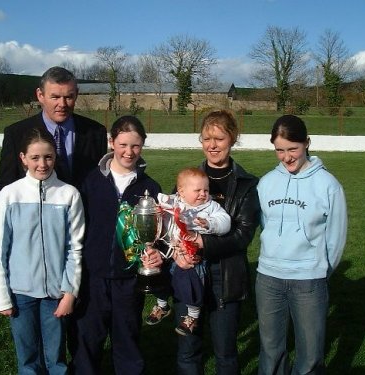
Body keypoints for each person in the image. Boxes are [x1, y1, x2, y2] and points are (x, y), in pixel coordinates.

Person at [68, 115, 163, 374]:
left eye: (135, 146)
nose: (128, 152)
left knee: (127, 343)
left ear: (143, 145)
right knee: (86, 343)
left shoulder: (150, 188)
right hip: (92, 278)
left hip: (128, 279)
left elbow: (160, 236)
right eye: (122, 144)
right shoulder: (89, 182)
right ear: (111, 142)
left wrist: (157, 254)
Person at [256, 114, 347, 375]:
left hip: (309, 281)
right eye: (279, 150)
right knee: (271, 350)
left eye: (292, 149)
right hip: (269, 278)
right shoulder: (267, 183)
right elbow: (267, 226)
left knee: (310, 355)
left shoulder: (328, 185)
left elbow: (336, 237)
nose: (286, 157)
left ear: (307, 143)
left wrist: (319, 270)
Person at [172, 110, 261, 374]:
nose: (212, 145)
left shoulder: (247, 185)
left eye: (219, 139)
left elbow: (242, 235)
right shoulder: (188, 179)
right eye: (206, 138)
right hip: (188, 272)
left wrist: (201, 242)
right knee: (188, 349)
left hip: (226, 275)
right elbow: (171, 222)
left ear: (232, 139)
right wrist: (176, 253)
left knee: (225, 352)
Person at [0, 127, 84, 373]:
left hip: (55, 293)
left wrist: (69, 292)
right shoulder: (10, 195)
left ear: (55, 157)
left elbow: (74, 247)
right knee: (28, 358)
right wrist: (2, 295)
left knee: (56, 357)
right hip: (20, 293)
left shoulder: (69, 194)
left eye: (48, 157)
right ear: (23, 158)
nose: (42, 164)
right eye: (35, 158)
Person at [0, 66, 107, 207]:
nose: (62, 104)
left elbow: (101, 183)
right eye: (55, 97)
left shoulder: (95, 132)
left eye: (69, 97)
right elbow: (6, 183)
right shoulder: (16, 134)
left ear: (76, 94)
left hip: (84, 220)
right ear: (40, 95)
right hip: (36, 221)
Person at [145, 167, 231, 337]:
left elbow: (225, 222)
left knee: (189, 283)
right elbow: (161, 222)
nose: (203, 194)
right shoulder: (173, 203)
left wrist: (209, 224)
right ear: (181, 192)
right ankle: (162, 304)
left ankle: (192, 315)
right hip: (170, 252)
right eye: (197, 190)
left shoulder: (211, 207)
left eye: (206, 190)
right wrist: (158, 214)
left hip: (192, 255)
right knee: (156, 275)